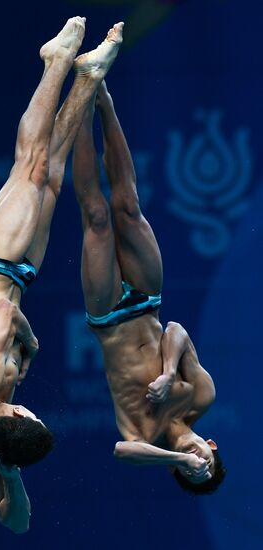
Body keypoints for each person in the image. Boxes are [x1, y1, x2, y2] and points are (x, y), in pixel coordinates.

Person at [0, 18, 124, 533]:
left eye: (32, 415)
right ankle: (87, 78)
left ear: (20, 417)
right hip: (17, 271)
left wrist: (32, 344)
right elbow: (16, 523)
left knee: (31, 163)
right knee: (53, 174)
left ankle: (55, 62)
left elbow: (5, 312)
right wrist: (11, 478)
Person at [72, 80, 226, 495]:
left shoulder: (142, 432)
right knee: (127, 204)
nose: (198, 463)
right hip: (148, 301)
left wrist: (177, 458)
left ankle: (80, 108)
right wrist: (170, 373)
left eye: (193, 472)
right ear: (211, 446)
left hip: (108, 318)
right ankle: (102, 97)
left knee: (96, 215)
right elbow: (176, 330)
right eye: (205, 462)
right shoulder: (202, 397)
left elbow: (123, 450)